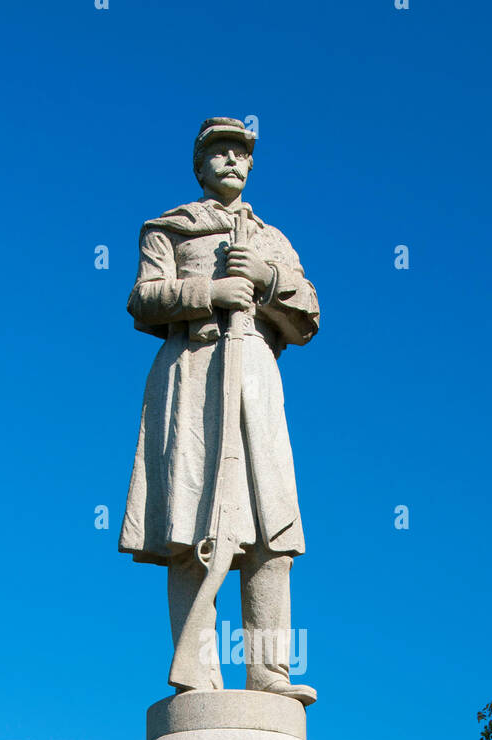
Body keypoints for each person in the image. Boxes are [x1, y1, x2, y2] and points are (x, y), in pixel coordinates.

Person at [119, 116, 320, 703]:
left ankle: (269, 676)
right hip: (193, 374)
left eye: (240, 152)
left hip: (256, 375)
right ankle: (199, 678)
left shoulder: (273, 239)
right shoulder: (171, 229)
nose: (231, 160)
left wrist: (268, 279)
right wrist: (209, 294)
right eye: (219, 152)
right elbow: (143, 299)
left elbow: (308, 316)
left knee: (270, 527)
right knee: (189, 528)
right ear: (200, 165)